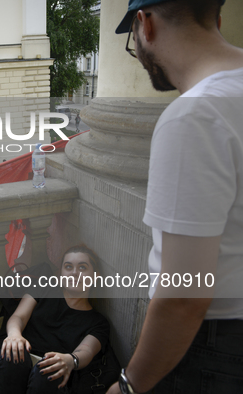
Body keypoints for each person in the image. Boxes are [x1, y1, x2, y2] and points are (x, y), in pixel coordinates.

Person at [108, 1, 243, 393]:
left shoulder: (194, 117)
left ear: (144, 24)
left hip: (215, 355)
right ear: (216, 20)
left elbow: (185, 295)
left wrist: (129, 386)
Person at [0, 245, 110, 394]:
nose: (74, 272)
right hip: (8, 371)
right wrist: (14, 335)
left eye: (82, 267)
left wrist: (70, 360)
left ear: (95, 275)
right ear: (61, 273)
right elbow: (18, 317)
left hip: (46, 383)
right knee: (15, 354)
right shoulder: (45, 289)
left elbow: (86, 350)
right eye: (68, 267)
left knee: (49, 370)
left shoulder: (98, 322)